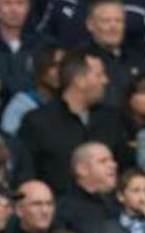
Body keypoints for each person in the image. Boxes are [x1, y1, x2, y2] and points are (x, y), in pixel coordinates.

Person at [19, 49, 128, 193]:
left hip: (108, 210)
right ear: (79, 81)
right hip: (57, 211)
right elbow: (26, 174)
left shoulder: (112, 119)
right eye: (99, 75)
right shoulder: (37, 122)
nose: (105, 80)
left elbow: (125, 168)